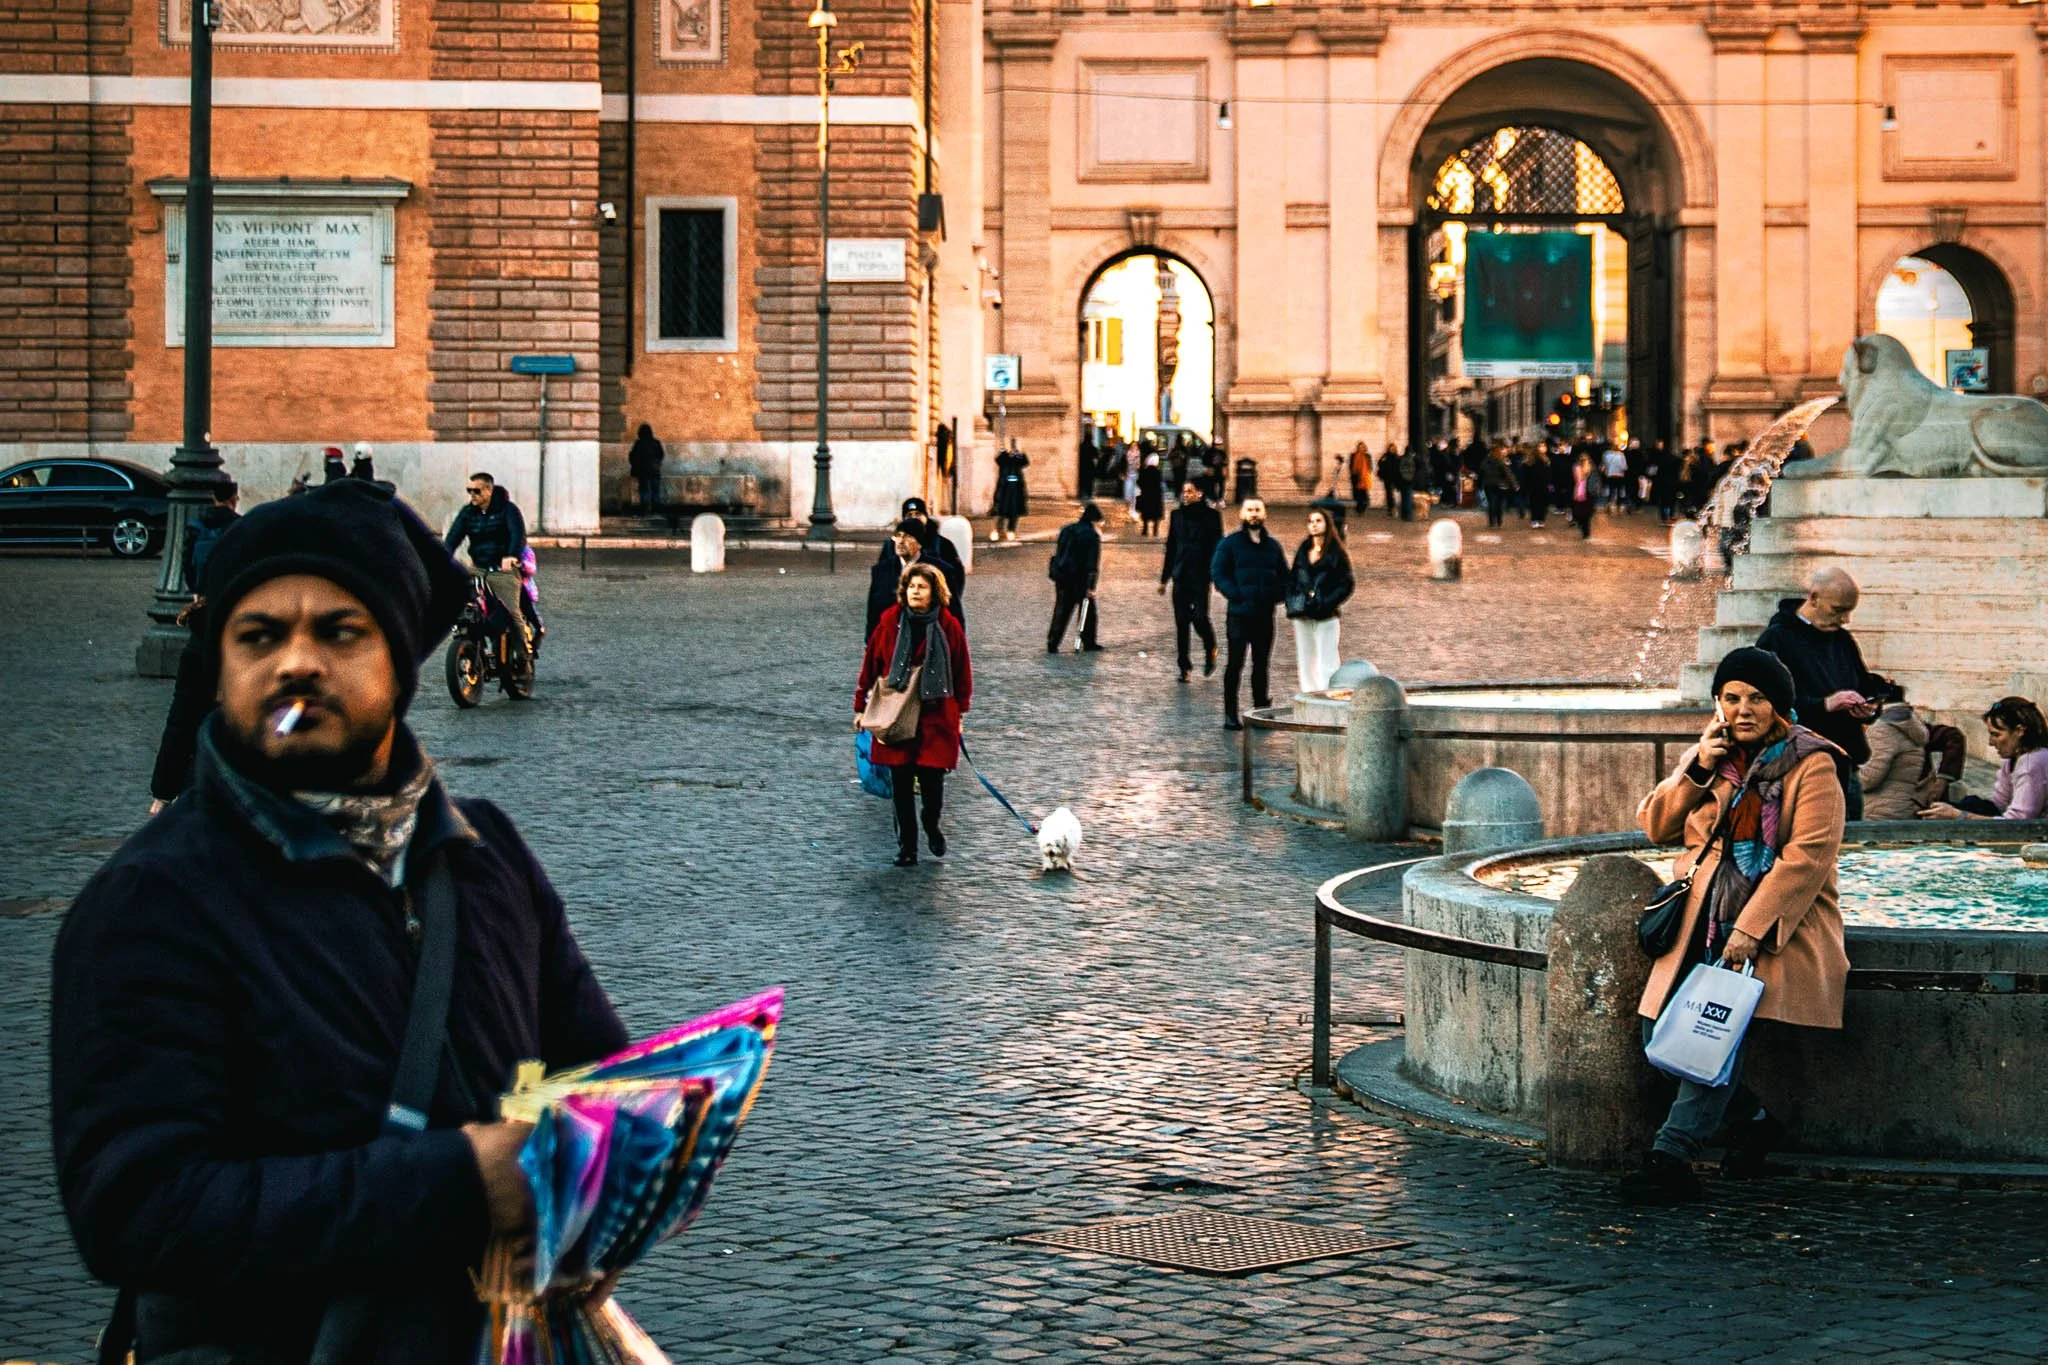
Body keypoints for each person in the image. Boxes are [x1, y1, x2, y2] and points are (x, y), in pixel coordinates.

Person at [54, 479, 629, 1359]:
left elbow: (600, 1077)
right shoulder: (150, 900)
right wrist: (459, 1184)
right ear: (221, 665)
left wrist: (586, 1213)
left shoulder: (486, 854)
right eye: (259, 636)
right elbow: (136, 1208)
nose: (296, 664)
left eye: (338, 631)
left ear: (400, 662)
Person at [1623, 646, 1847, 1206]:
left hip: (1771, 927)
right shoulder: (1714, 756)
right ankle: (1754, 1118)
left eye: (1756, 698)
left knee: (1712, 1037)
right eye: (1731, 698)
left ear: (1780, 705)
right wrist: (1696, 768)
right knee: (1661, 1033)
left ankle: (1670, 1156)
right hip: (1698, 919)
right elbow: (1655, 826)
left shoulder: (1813, 763)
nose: (1742, 709)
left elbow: (1808, 856)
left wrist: (1749, 928)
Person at [857, 563, 972, 866]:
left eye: (922, 587)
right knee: (901, 787)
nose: (915, 592)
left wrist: (961, 711)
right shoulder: (890, 621)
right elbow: (871, 664)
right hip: (897, 711)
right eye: (911, 587)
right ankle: (907, 848)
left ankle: (931, 825)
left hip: (935, 715)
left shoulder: (948, 625)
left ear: (935, 591)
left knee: (933, 786)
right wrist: (860, 705)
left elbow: (962, 671)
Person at [1754, 567, 1891, 820]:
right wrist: (1823, 705)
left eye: (1849, 611)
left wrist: (1869, 709)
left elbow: (1864, 686)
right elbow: (1765, 706)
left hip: (1845, 764)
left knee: (1850, 850)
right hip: (1799, 769)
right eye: (1838, 610)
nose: (1845, 619)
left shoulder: (1843, 640)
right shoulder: (1776, 639)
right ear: (1814, 598)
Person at [1210, 498, 1288, 731]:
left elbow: (1285, 576)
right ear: (1242, 514)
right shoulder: (1230, 544)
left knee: (1261, 664)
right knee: (1235, 664)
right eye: (1250, 510)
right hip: (1239, 614)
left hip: (1265, 613)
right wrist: (1236, 594)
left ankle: (1261, 709)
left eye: (1258, 510)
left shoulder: (1273, 546)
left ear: (1264, 514)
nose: (1254, 514)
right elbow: (1218, 572)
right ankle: (1230, 713)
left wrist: (1276, 595)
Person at [444, 471, 532, 667]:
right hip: (478, 569)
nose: (472, 495)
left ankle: (523, 656)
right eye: (469, 490)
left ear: (489, 490)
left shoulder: (508, 510)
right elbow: (452, 540)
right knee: (459, 601)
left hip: (503, 569)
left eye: (476, 491)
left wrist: (511, 556)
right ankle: (468, 640)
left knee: (512, 612)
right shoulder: (468, 512)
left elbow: (518, 535)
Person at [1922, 696, 2048, 821]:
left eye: (1996, 735)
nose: (1991, 743)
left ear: (2019, 731)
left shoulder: (2032, 763)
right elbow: (2000, 805)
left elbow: (2017, 823)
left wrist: (1958, 815)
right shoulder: (2011, 759)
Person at [1158, 480, 1222, 683]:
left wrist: (1218, 575)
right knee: (1181, 621)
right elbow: (1171, 547)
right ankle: (1184, 667)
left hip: (1202, 575)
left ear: (1200, 493)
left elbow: (1218, 547)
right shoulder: (1176, 515)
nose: (1185, 494)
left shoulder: (1212, 517)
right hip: (1181, 574)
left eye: (1190, 491)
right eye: (1184, 491)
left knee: (1200, 616)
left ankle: (1210, 645)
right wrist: (1164, 579)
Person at [1286, 508, 1353, 694]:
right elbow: (1293, 578)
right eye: (1310, 521)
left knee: (1328, 658)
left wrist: (1328, 602)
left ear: (1327, 524)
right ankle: (1309, 694)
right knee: (1306, 657)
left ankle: (1329, 694)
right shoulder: (1303, 550)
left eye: (1318, 520)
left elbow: (1346, 583)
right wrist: (1292, 599)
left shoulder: (1336, 553)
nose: (1314, 524)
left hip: (1326, 614)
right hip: (1303, 612)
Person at [866, 516, 962, 642]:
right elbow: (873, 612)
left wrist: (957, 642)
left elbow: (953, 611)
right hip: (890, 640)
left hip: (926, 640)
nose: (900, 541)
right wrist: (870, 642)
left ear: (919, 543)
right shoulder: (881, 571)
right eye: (898, 535)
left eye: (907, 536)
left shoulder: (940, 570)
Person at [1856, 692, 1930, 821]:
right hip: (1901, 807)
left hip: (1877, 811)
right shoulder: (1911, 725)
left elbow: (1869, 779)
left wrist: (1846, 776)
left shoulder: (1882, 728)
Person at [1046, 503, 1104, 652]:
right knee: (1088, 612)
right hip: (1080, 579)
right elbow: (1092, 564)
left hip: (1062, 576)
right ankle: (1088, 641)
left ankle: (1053, 641)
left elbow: (1060, 552)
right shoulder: (1092, 535)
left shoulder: (1067, 530)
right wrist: (1092, 586)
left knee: (1061, 610)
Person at [992, 440, 1029, 541]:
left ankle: (1011, 530)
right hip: (1005, 488)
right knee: (1001, 511)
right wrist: (1003, 451)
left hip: (1015, 488)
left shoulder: (1017, 458)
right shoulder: (1005, 458)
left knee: (1014, 511)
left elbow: (1025, 462)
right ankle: (999, 530)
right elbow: (998, 460)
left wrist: (1019, 452)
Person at [627, 422, 665, 514]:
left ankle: (645, 509)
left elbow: (632, 456)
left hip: (642, 472)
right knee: (655, 490)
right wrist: (657, 463)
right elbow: (661, 454)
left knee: (644, 491)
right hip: (655, 470)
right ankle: (655, 509)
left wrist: (635, 466)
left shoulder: (638, 443)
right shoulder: (656, 443)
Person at [1479, 446, 1517, 530]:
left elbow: (1481, 472)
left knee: (1491, 503)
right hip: (1499, 484)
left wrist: (1480, 483)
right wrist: (1514, 484)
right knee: (1499, 503)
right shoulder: (1501, 461)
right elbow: (1508, 473)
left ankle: (1492, 521)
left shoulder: (1486, 461)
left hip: (1488, 484)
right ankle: (1499, 520)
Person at [1568, 453, 1598, 539]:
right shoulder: (1577, 468)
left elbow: (1595, 481)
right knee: (1579, 512)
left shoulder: (1592, 469)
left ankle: (1586, 533)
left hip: (1590, 493)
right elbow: (1578, 480)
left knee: (1587, 514)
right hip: (1580, 492)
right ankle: (1583, 528)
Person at [1135, 452, 1165, 536]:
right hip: (1156, 495)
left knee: (1146, 513)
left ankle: (1145, 529)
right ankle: (1155, 531)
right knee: (1155, 515)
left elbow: (1139, 482)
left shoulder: (1144, 471)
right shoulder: (1158, 472)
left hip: (1146, 494)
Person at [1602, 444, 1629, 509]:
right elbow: (1624, 467)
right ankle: (1618, 505)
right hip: (1619, 475)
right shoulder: (1621, 455)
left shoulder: (1606, 454)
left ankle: (1609, 504)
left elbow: (1604, 465)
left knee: (1611, 490)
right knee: (1619, 490)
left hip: (1610, 474)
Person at [1376, 445, 1400, 519]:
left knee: (1391, 494)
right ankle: (1390, 509)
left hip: (1394, 478)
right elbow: (1380, 463)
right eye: (1390, 448)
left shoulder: (1397, 457)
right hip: (1387, 478)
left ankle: (1392, 508)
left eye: (1393, 449)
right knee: (1389, 494)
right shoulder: (1385, 456)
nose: (1391, 450)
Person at [1349, 441, 1373, 515]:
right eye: (1360, 447)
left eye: (1362, 447)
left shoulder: (1367, 456)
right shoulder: (1353, 455)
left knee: (1363, 493)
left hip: (1364, 477)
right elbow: (1351, 465)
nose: (1361, 448)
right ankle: (1359, 507)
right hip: (1355, 476)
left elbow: (1370, 466)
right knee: (1356, 493)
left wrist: (1366, 474)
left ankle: (1361, 509)